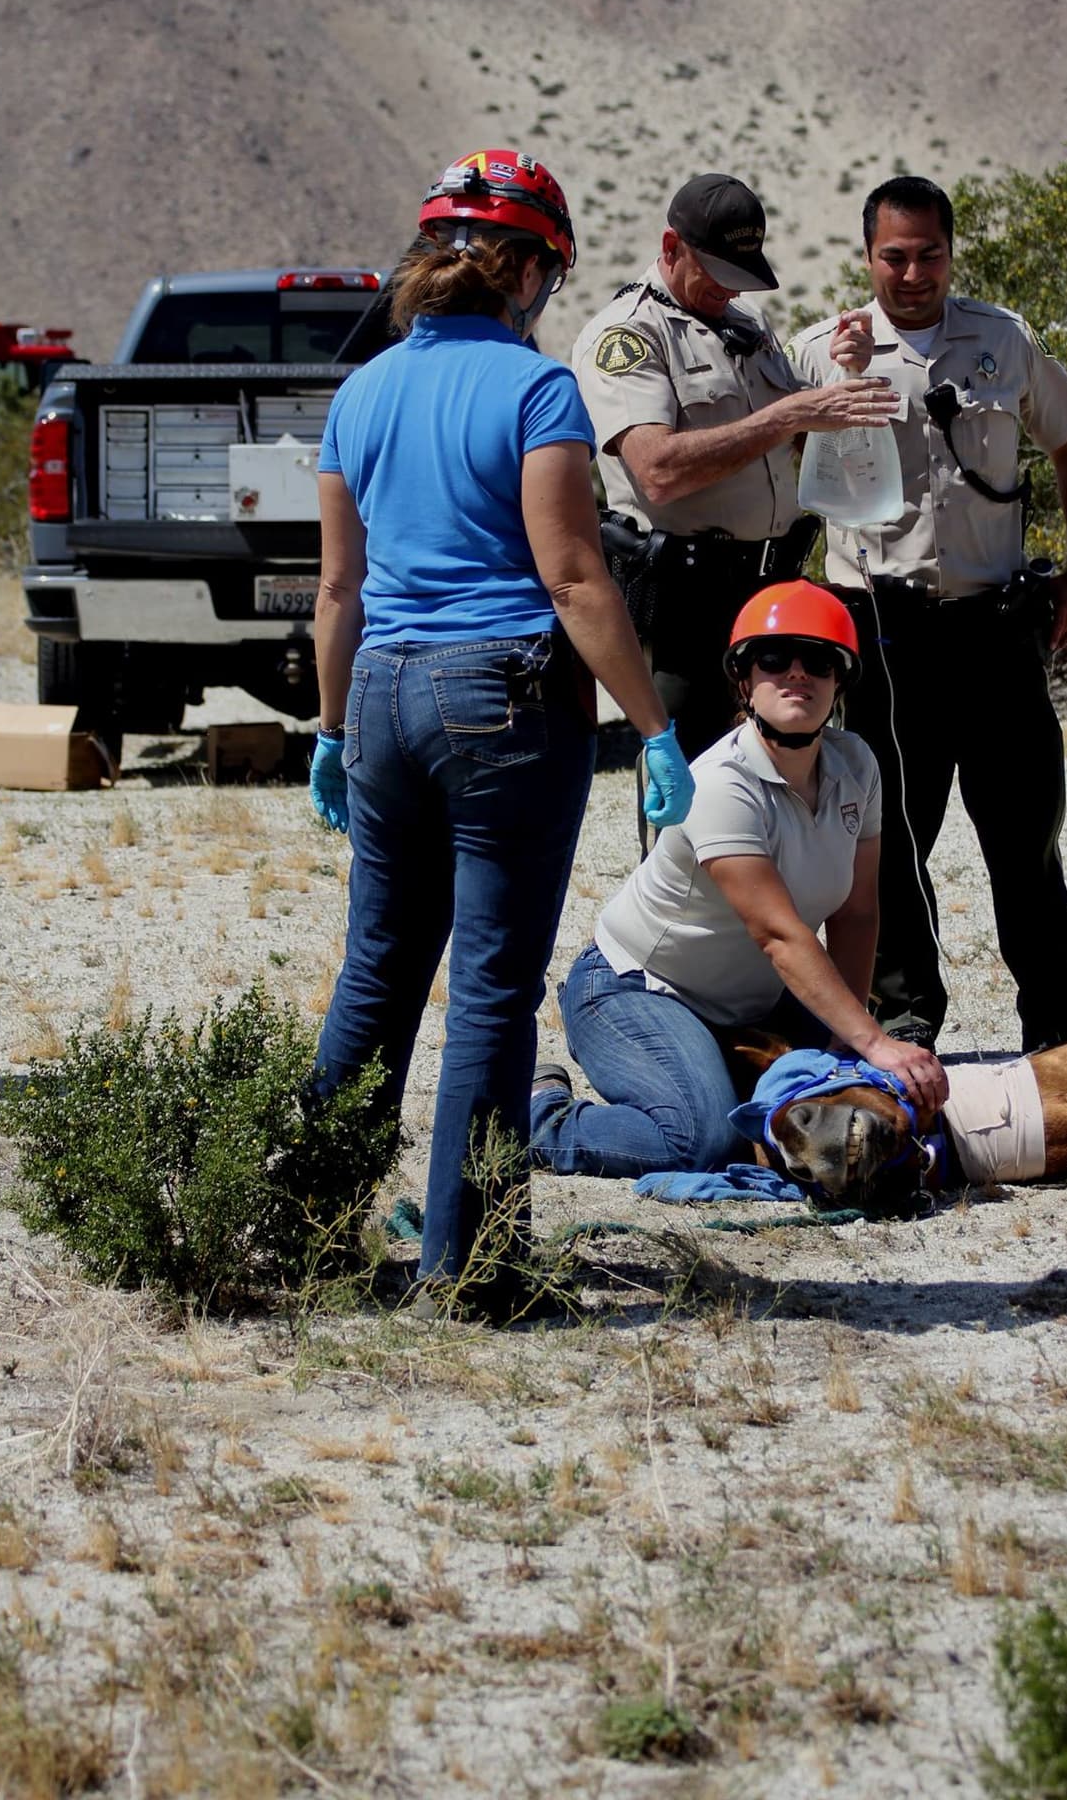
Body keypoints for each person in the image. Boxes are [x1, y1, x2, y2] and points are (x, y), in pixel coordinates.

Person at [307, 147, 694, 1318]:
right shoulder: (536, 391)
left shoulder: (358, 391)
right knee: (488, 988)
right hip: (501, 700)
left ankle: (306, 1229)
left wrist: (328, 730)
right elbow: (574, 576)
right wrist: (654, 723)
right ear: (525, 268)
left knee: (375, 972)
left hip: (379, 693)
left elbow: (337, 592)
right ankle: (470, 1277)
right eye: (549, 274)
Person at [788, 175, 1067, 1056]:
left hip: (993, 626)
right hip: (881, 634)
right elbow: (772, 476)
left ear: (951, 251)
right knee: (890, 837)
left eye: (930, 253)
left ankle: (1060, 1015)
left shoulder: (1003, 341)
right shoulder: (823, 351)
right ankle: (905, 1014)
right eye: (895, 255)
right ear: (868, 257)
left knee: (1026, 827)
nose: (914, 272)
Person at [530, 581, 948, 1179]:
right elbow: (778, 934)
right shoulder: (722, 783)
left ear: (841, 680)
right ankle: (540, 1115)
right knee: (699, 1141)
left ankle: (717, 1072)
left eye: (820, 660)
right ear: (744, 680)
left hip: (755, 1002)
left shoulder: (858, 766)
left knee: (865, 1102)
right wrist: (874, 1042)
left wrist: (846, 1040)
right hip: (638, 989)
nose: (797, 674)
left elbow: (855, 914)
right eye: (774, 658)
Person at [572, 172, 900, 839]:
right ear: (671, 247)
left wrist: (842, 373)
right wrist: (791, 415)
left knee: (776, 803)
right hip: (687, 611)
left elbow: (792, 436)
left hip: (769, 600)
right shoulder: (628, 336)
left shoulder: (743, 328)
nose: (730, 288)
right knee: (689, 820)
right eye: (716, 270)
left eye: (741, 273)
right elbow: (657, 470)